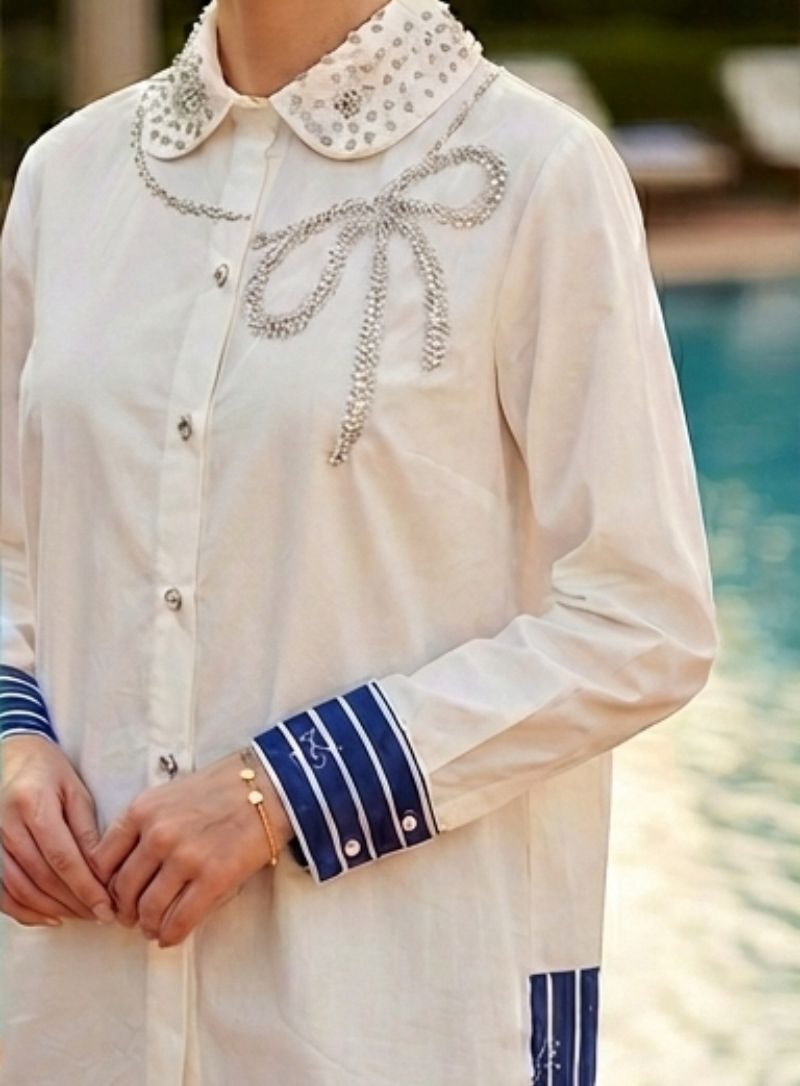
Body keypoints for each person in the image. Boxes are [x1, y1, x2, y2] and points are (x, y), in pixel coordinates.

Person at [0, 0, 717, 1081]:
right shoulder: (68, 178)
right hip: (80, 1006)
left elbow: (643, 619)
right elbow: (15, 543)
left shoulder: (537, 174)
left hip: (389, 1008)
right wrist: (13, 739)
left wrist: (286, 789)